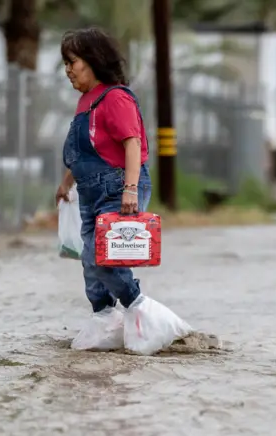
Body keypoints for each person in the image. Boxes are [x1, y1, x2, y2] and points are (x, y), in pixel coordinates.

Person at [55, 27, 192, 355]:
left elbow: (131, 144)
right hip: (89, 192)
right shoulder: (84, 103)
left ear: (93, 61)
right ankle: (105, 318)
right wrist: (65, 184)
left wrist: (130, 191)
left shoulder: (114, 97)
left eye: (73, 61)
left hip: (118, 187)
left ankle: (139, 307)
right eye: (65, 63)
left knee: (101, 257)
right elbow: (83, 152)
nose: (68, 69)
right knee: (89, 262)